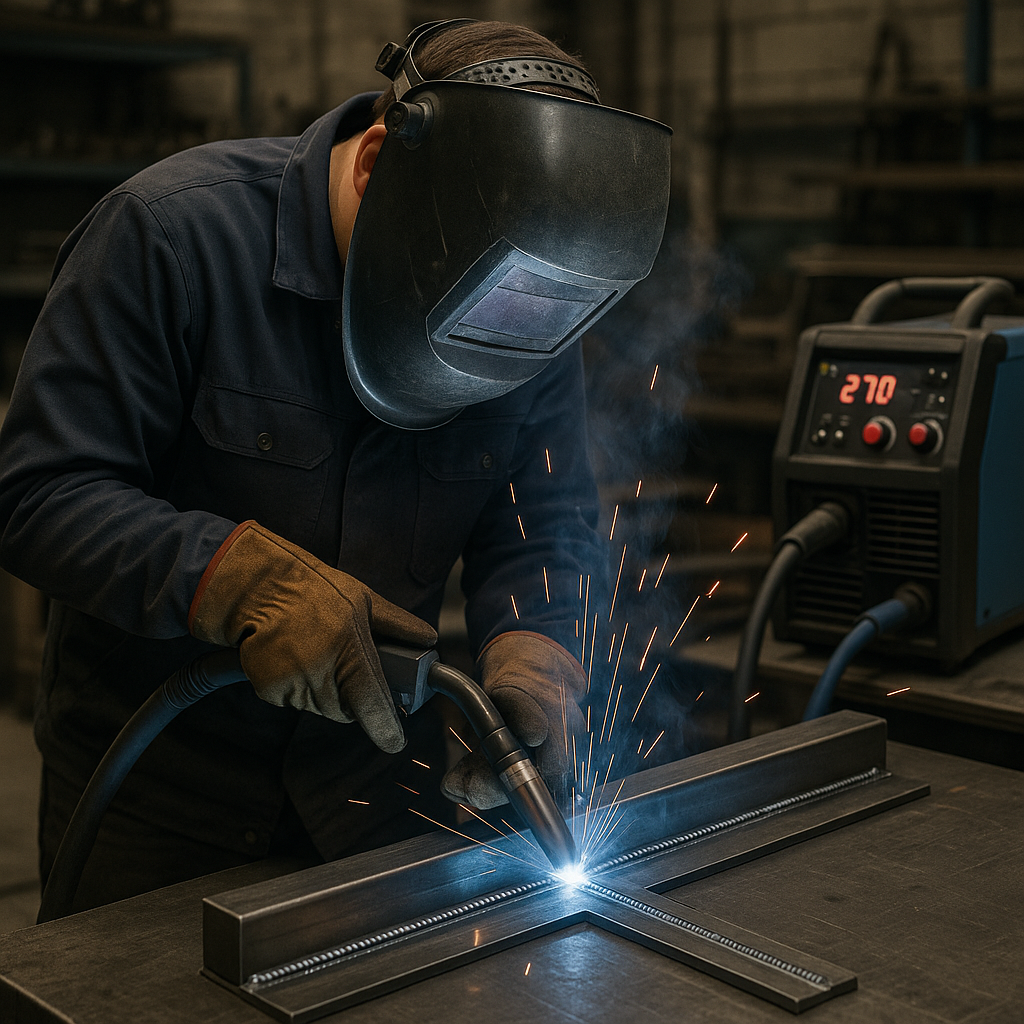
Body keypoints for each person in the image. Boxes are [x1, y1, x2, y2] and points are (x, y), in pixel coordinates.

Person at [0, 19, 669, 911]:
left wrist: (537, 649)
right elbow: (40, 494)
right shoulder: (169, 237)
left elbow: (542, 521)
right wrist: (234, 581)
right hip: (157, 804)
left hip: (376, 800)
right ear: (375, 162)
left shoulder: (532, 298)